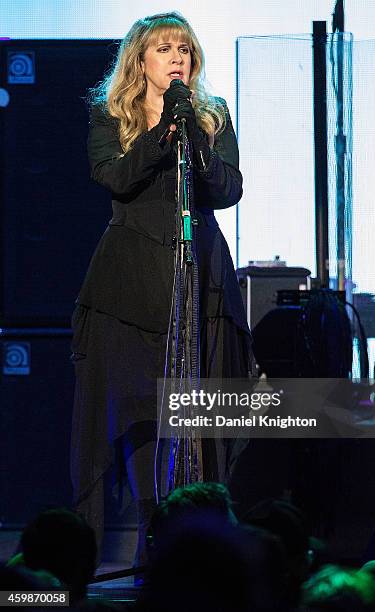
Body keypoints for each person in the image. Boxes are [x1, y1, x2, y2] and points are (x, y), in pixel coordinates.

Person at [70, 11, 254, 565]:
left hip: (202, 281)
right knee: (138, 409)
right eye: (164, 49)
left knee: (198, 412)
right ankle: (150, 540)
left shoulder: (213, 117)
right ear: (141, 61)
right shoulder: (112, 116)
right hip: (129, 290)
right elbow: (117, 179)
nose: (177, 57)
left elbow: (227, 191)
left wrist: (192, 130)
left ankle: (202, 542)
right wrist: (160, 133)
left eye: (185, 49)